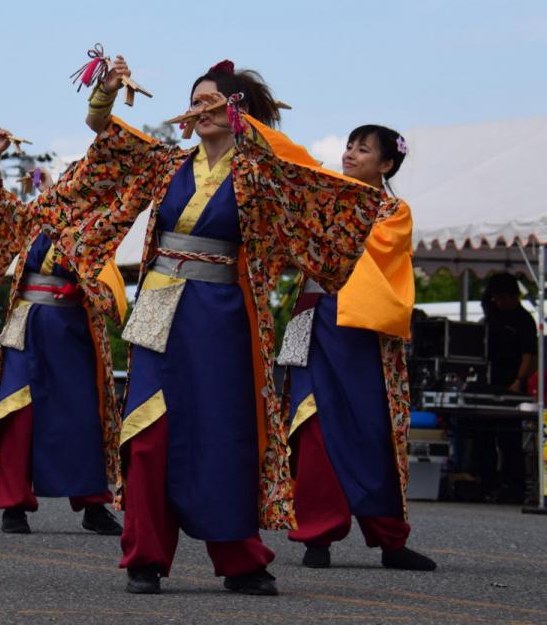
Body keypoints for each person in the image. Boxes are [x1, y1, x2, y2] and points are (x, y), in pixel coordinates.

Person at [35, 58, 382, 595]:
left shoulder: (259, 171)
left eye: (208, 102)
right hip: (156, 304)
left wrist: (250, 129)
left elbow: (315, 192)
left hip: (221, 311)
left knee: (223, 433)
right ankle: (144, 556)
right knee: (148, 434)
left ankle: (238, 558)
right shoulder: (168, 163)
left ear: (235, 109)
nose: (197, 111)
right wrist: (103, 94)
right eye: (193, 102)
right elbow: (108, 143)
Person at [0, 135, 125, 536]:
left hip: (71, 331)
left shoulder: (93, 229)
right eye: (69, 180)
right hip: (26, 328)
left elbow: (106, 287)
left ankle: (94, 503)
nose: (72, 188)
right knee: (17, 414)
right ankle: (13, 504)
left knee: (82, 416)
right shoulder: (31, 217)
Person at [280, 125, 436, 571]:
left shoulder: (393, 210)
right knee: (312, 425)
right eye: (349, 145)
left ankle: (389, 537)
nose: (350, 154)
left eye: (363, 149)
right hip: (313, 316)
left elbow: (365, 258)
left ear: (386, 164)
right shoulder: (323, 192)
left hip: (360, 328)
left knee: (373, 428)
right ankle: (316, 535)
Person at [479, 272, 536, 500]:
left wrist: (519, 381)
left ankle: (514, 485)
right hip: (490, 381)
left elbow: (528, 354)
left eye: (503, 297)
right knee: (484, 436)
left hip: (512, 383)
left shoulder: (523, 320)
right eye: (496, 298)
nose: (499, 302)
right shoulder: (492, 317)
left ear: (513, 296)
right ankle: (487, 482)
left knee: (509, 439)